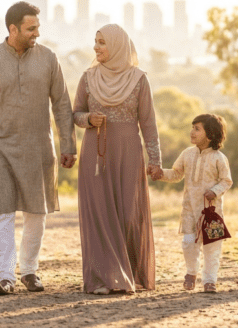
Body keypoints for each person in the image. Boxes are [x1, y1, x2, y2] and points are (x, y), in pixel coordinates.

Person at [0, 1, 77, 296]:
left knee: (36, 212)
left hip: (39, 147)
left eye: (38, 27)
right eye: (31, 28)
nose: (37, 33)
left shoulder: (49, 58)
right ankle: (5, 276)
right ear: (13, 29)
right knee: (1, 212)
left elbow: (62, 104)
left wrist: (69, 144)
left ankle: (29, 271)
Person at [72, 24, 162, 295]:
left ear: (118, 46)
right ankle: (101, 278)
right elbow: (75, 113)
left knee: (128, 213)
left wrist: (155, 159)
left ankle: (130, 275)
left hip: (128, 153)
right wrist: (88, 119)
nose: (96, 47)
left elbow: (148, 123)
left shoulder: (138, 79)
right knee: (98, 213)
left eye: (102, 42)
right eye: (95, 42)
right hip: (95, 154)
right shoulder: (88, 77)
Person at [152, 113, 234, 293]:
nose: (192, 132)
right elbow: (176, 174)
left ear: (210, 134)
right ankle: (191, 273)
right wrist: (160, 174)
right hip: (189, 211)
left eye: (197, 129)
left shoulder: (219, 158)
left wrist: (215, 191)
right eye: (192, 127)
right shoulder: (187, 154)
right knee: (189, 243)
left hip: (211, 212)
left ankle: (210, 281)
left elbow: (226, 181)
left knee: (212, 247)